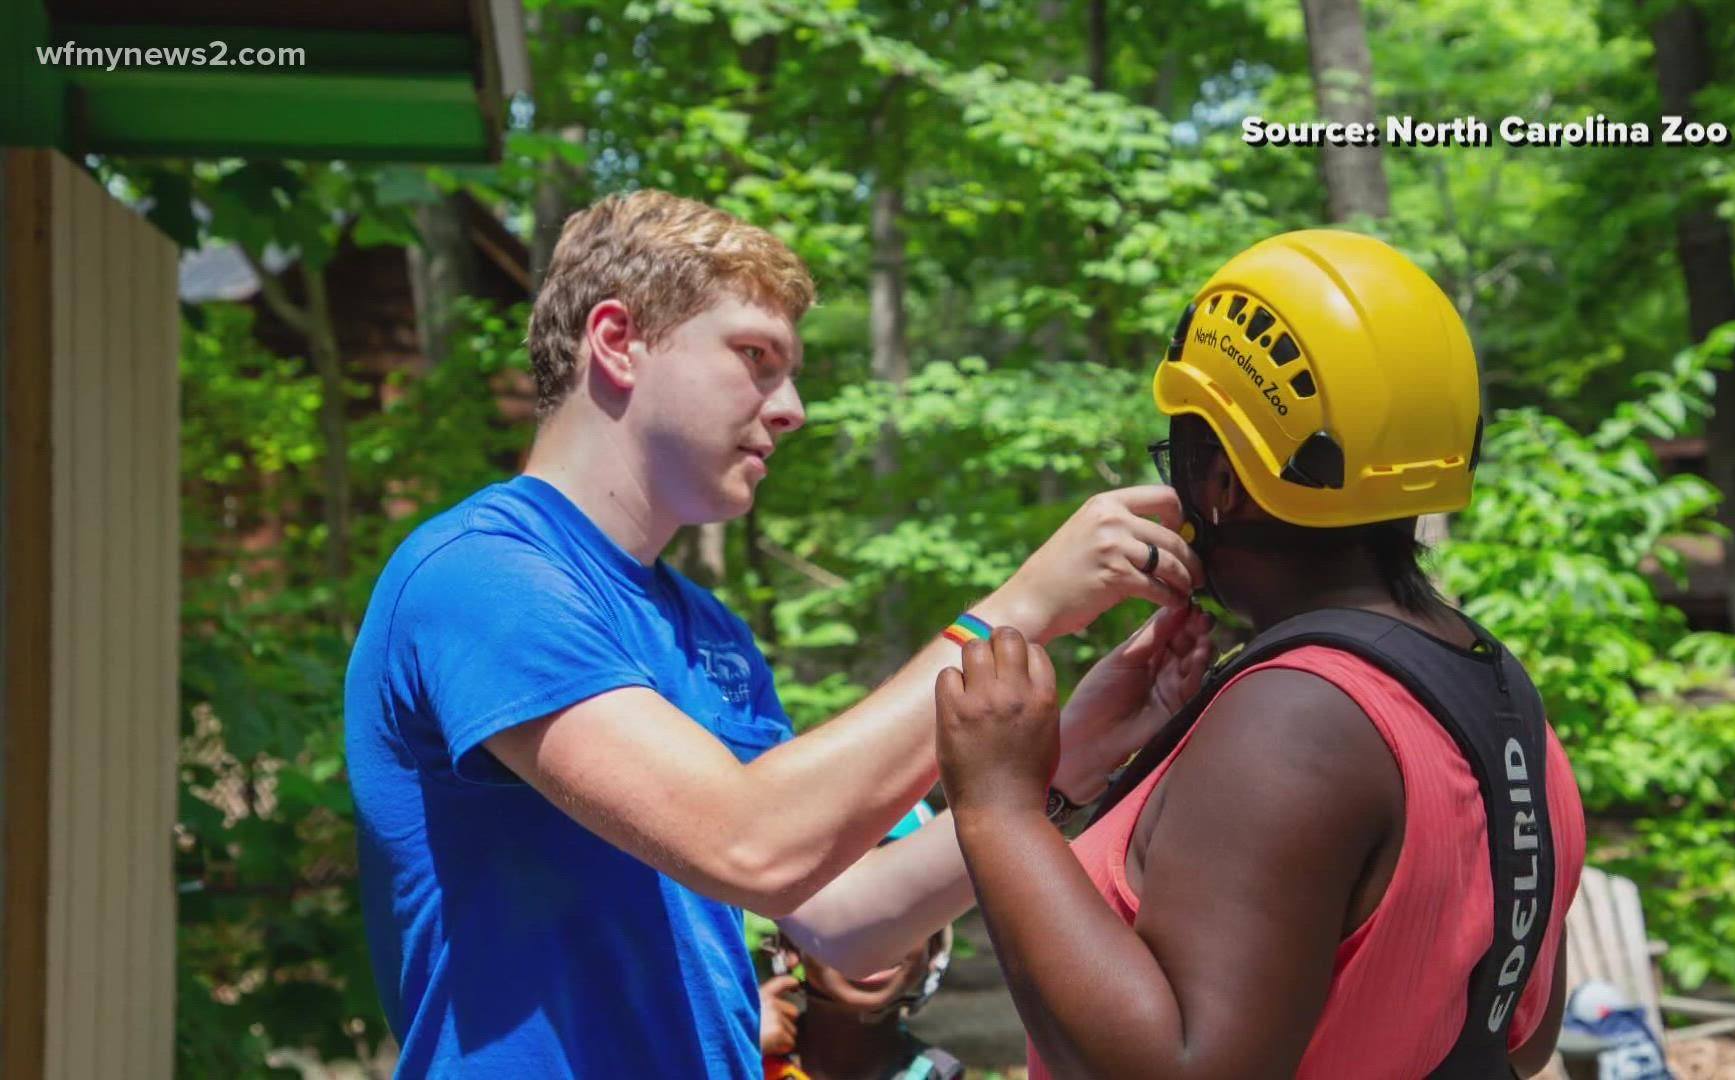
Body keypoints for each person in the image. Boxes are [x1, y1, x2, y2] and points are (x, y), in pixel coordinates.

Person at [343, 189, 1214, 1078]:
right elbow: (751, 845)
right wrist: (1025, 604)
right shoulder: (479, 575)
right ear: (616, 341)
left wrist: (1065, 760)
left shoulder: (708, 633)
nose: (792, 406)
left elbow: (842, 917)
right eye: (755, 357)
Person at [932, 230, 1590, 1079]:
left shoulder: (1297, 714)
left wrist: (999, 805)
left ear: (1223, 481)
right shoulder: (1499, 694)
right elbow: (1518, 1032)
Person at [758, 801, 965, 1080]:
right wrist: (734, 1046)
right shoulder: (745, 1057)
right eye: (845, 916)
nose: (871, 944)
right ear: (791, 945)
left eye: (901, 916)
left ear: (935, 947)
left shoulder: (938, 1074)